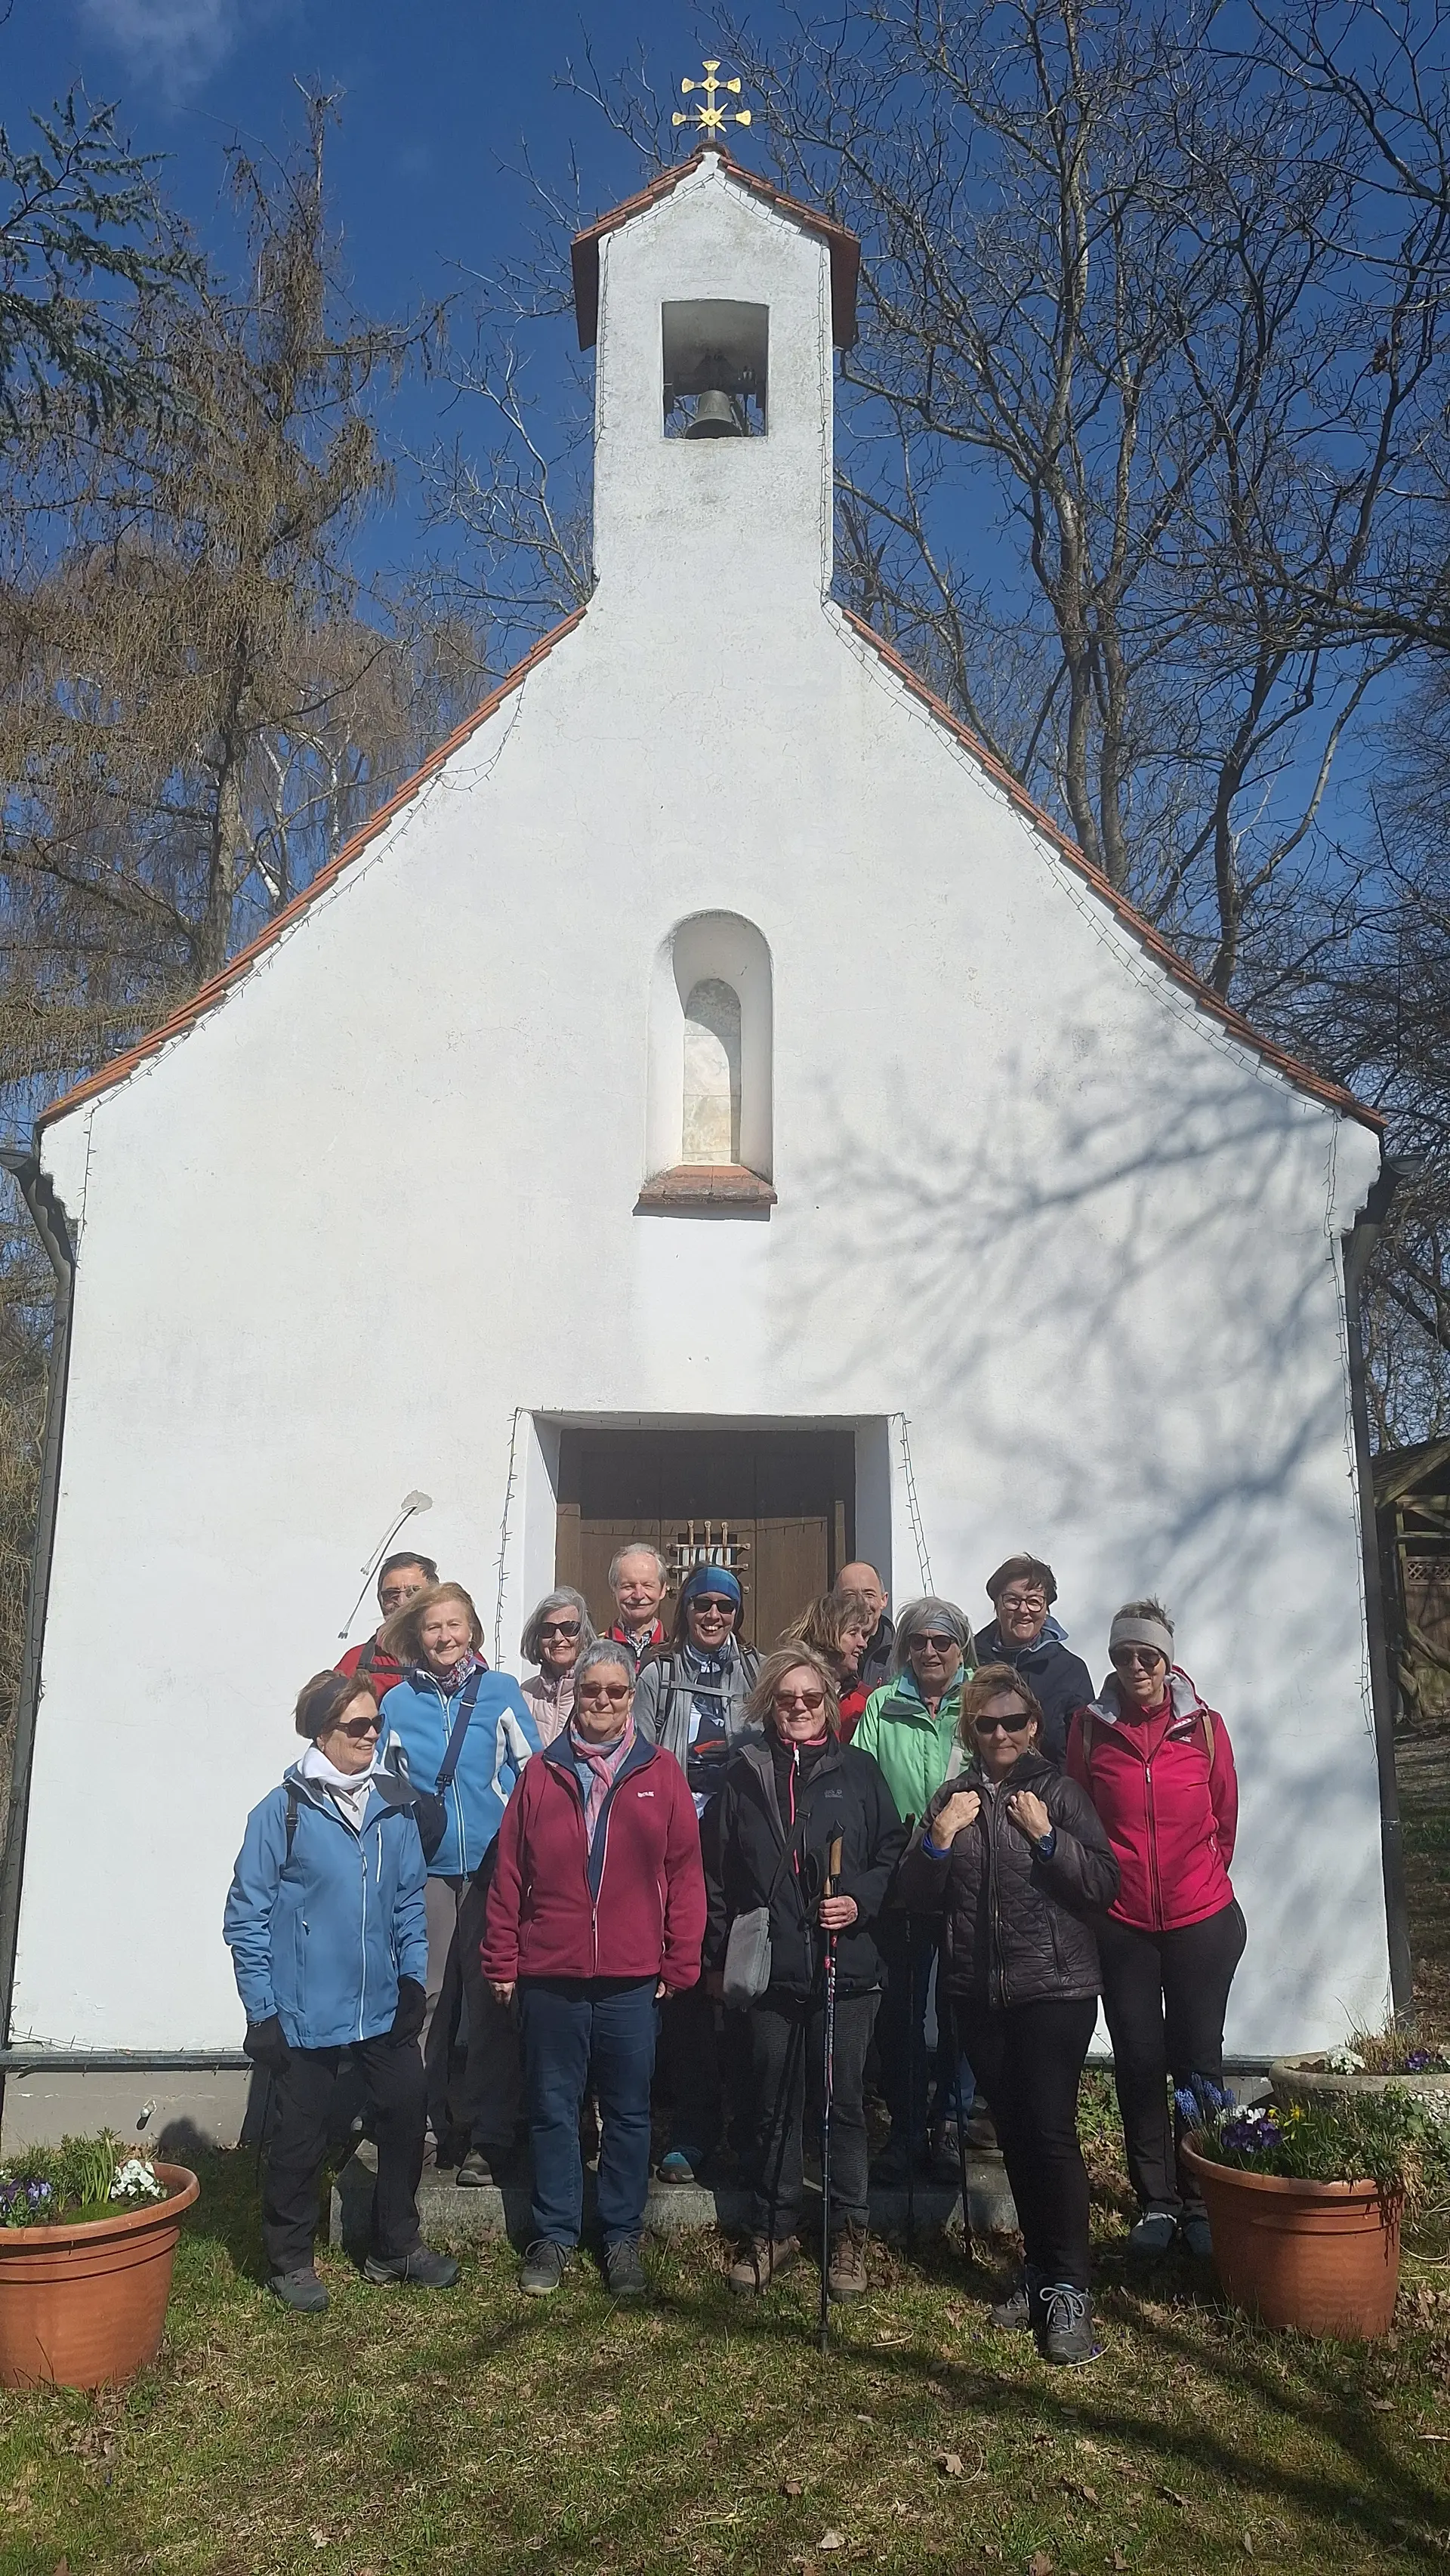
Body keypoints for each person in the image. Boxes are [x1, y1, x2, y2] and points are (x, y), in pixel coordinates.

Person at [896, 1665, 1119, 2365]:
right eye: (987, 1723)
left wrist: (1049, 1839)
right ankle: (1040, 2270)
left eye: (1013, 1722)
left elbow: (1103, 1884)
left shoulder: (1059, 1792)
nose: (1001, 1734)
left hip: (1054, 1989)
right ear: (971, 1729)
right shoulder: (953, 1797)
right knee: (1016, 2137)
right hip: (978, 1994)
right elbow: (914, 1895)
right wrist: (938, 1838)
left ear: (1034, 1726)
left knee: (1050, 2134)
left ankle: (1072, 2289)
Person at [224, 1668, 460, 2311]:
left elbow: (408, 1900)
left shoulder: (393, 1805)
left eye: (376, 1722)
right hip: (304, 2010)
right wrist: (261, 2011)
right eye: (358, 1724)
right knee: (300, 2138)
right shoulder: (282, 1812)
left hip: (381, 2002)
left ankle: (395, 2244)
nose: (372, 1734)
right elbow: (246, 1916)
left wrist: (412, 1977)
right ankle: (290, 2259)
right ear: (322, 1732)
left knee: (406, 2111)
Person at [482, 1638, 706, 2298]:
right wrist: (502, 1957)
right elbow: (509, 1872)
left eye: (615, 1690)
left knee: (629, 2113)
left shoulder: (661, 1773)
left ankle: (620, 2234)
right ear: (574, 1696)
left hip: (631, 1977)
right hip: (551, 1972)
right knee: (553, 2108)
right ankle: (554, 2232)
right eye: (590, 1690)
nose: (602, 1701)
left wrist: (680, 1958)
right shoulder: (540, 1773)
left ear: (632, 1697)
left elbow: (685, 1873)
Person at [705, 1647, 906, 2300]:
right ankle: (774, 2228)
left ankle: (847, 2231)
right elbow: (715, 1873)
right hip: (773, 1971)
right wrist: (717, 1956)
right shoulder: (744, 1774)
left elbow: (892, 1852)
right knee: (773, 2104)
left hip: (847, 1969)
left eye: (811, 1697)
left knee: (842, 2103)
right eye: (786, 1698)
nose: (799, 1707)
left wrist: (860, 1900)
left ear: (828, 1703)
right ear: (769, 1703)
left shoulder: (860, 1771)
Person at [1066, 1599, 1243, 2259]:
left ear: (1168, 1659)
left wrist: (1197, 1881)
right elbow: (1081, 1818)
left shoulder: (1205, 1728)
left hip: (1201, 1920)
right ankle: (1157, 2202)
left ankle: (1202, 2198)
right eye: (1123, 1655)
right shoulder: (1089, 1730)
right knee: (1138, 2061)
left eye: (1148, 1655)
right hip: (1123, 1925)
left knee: (1199, 2063)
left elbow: (1224, 1818)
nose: (1136, 1666)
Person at [377, 1581, 539, 2188]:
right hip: (428, 1869)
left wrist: (517, 1838)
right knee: (427, 1998)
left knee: (492, 1999)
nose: (445, 1636)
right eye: (432, 1627)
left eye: (454, 1624)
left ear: (472, 1629)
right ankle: (419, 2127)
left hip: (494, 1869)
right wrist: (409, 1828)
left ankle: (490, 2134)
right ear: (418, 1635)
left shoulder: (500, 1691)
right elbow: (384, 1782)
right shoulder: (398, 1703)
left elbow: (533, 1771)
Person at [634, 1563, 763, 2181]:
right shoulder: (657, 1672)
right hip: (677, 1844)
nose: (713, 1615)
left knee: (745, 1979)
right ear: (684, 1608)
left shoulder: (758, 1669)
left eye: (725, 1606)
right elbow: (638, 1752)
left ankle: (751, 2125)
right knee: (686, 1981)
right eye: (703, 1604)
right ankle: (693, 2124)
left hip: (742, 1845)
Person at [853, 1599, 977, 2181]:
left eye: (942, 1641)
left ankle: (950, 2122)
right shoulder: (882, 1704)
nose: (930, 1651)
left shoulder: (981, 1701)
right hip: (901, 1881)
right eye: (919, 1641)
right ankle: (905, 2129)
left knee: (960, 2009)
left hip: (969, 1881)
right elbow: (860, 1781)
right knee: (900, 2012)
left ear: (960, 1646)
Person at [973, 1556, 1092, 1765]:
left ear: (1046, 1610)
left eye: (1034, 1602)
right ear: (996, 1604)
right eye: (1012, 1600)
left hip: (1051, 1783)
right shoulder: (971, 1661)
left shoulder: (1070, 1670)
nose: (1023, 1610)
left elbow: (1084, 1751)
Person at [336, 1550, 440, 1701]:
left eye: (414, 1592)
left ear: (435, 1598)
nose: (402, 1602)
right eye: (391, 1595)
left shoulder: (458, 1659)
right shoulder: (355, 1661)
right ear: (380, 1599)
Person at [786, 1590, 877, 1739]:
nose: (863, 1644)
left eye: (863, 1634)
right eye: (853, 1633)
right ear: (826, 1633)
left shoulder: (867, 1700)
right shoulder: (788, 1694)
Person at [519, 1587, 596, 1745]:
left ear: (584, 1635)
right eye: (547, 1630)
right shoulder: (525, 1694)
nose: (558, 1638)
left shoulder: (595, 1693)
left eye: (569, 1628)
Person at [607, 1544, 671, 1676]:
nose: (639, 1595)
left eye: (648, 1586)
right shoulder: (597, 1648)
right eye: (628, 1586)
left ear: (663, 1590)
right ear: (613, 1590)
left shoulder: (674, 1650)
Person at [838, 1561, 894, 1691]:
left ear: (883, 1600)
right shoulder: (817, 1655)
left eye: (869, 1595)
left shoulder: (901, 1656)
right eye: (850, 1595)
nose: (861, 1603)